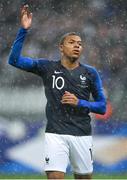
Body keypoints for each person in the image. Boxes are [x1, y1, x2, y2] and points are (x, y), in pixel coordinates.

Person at [8, 5, 106, 180]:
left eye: (80, 44)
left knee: (84, 178)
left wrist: (80, 102)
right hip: (56, 133)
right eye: (72, 42)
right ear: (61, 48)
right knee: (54, 177)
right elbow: (14, 60)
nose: (77, 46)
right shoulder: (47, 67)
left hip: (82, 133)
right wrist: (24, 30)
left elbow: (102, 107)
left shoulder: (90, 73)